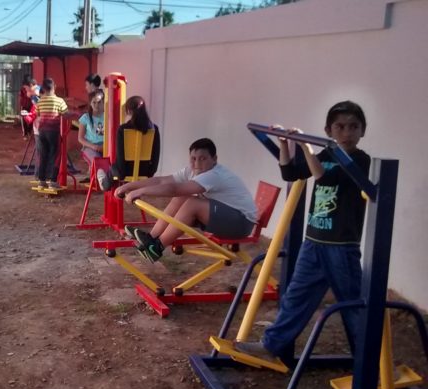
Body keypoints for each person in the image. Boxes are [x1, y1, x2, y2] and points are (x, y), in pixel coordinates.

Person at [234, 101, 371, 363]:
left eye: (354, 127)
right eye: (340, 127)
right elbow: (291, 173)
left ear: (363, 131)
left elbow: (325, 178)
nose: (347, 133)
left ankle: (367, 363)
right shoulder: (326, 156)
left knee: (353, 306)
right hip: (314, 243)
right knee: (295, 297)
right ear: (329, 130)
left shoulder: (360, 160)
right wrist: (286, 145)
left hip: (341, 247)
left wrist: (305, 147)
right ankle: (271, 345)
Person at [116, 137, 257, 263]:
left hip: (241, 223)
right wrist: (129, 186)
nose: (197, 163)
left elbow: (174, 189)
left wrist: (141, 191)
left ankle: (157, 247)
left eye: (203, 158)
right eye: (193, 158)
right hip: (225, 217)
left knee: (192, 203)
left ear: (214, 159)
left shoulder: (214, 175)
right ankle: (152, 238)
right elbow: (161, 181)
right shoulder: (191, 170)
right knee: (183, 197)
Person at [96, 95, 160, 192]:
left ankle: (104, 184)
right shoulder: (154, 129)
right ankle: (123, 188)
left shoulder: (123, 129)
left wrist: (121, 173)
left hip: (125, 171)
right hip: (144, 171)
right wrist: (151, 172)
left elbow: (120, 156)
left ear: (129, 111)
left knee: (111, 168)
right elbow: (156, 154)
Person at [34, 78, 68, 189]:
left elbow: (38, 114)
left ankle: (42, 180)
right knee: (55, 155)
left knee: (43, 155)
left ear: (43, 89)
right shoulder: (60, 101)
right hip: (54, 131)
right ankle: (53, 181)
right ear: (55, 87)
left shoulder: (40, 101)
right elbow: (65, 114)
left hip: (42, 132)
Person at [78, 89, 105, 162]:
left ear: (103, 102)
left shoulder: (108, 117)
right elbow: (80, 138)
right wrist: (93, 146)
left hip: (106, 147)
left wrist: (104, 146)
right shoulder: (85, 118)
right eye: (94, 102)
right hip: (90, 147)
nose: (97, 105)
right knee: (97, 161)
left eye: (99, 102)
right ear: (90, 103)